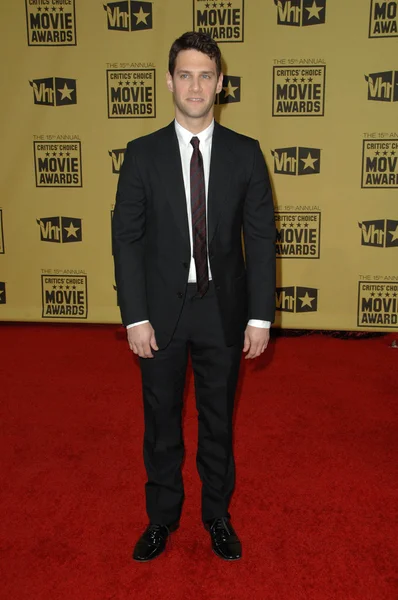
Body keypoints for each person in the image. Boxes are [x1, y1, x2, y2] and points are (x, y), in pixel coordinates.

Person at [112, 31, 276, 562]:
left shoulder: (247, 155)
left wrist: (260, 318)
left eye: (206, 74)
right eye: (186, 74)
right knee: (160, 419)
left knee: (218, 420)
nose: (196, 85)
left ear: (221, 83)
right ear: (169, 81)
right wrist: (134, 317)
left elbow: (260, 239)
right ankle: (161, 519)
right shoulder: (140, 155)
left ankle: (217, 515)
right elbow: (127, 240)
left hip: (223, 311)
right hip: (160, 313)